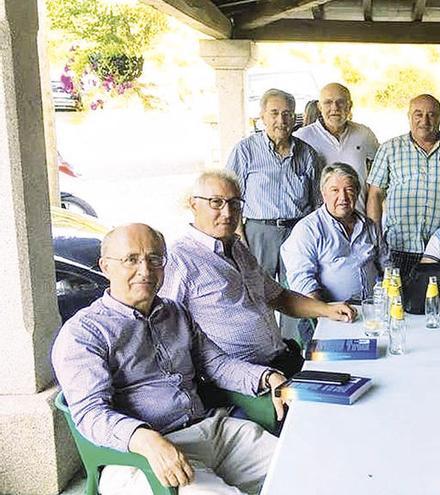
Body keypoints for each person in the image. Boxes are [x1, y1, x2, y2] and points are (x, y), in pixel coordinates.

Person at [52, 224, 287, 494]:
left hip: (211, 431)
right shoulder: (84, 333)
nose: (145, 270)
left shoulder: (175, 312)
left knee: (303, 467)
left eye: (155, 259)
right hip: (139, 457)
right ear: (106, 267)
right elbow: (91, 413)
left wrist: (267, 377)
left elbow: (216, 364)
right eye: (131, 259)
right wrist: (144, 439)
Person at [160, 171, 356, 375]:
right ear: (193, 204)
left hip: (280, 360)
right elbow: (167, 335)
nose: (227, 213)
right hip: (239, 379)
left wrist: (326, 309)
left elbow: (280, 297)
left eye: (235, 203)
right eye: (216, 202)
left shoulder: (238, 248)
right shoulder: (179, 259)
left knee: (352, 375)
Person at [366, 94, 440, 277]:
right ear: (409, 116)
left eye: (431, 115)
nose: (424, 120)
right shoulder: (390, 149)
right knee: (397, 303)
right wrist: (375, 238)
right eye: (418, 114)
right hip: (398, 248)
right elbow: (375, 194)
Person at [225, 88, 322, 296]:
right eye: (274, 113)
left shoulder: (307, 154)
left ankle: (294, 332)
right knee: (257, 295)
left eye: (287, 114)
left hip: (297, 232)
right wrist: (240, 239)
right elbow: (229, 199)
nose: (282, 120)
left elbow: (316, 202)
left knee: (298, 293)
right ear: (262, 117)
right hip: (259, 233)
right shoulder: (245, 150)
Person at [282, 163, 389, 305]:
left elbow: (387, 267)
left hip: (372, 311)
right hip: (329, 313)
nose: (343, 197)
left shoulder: (369, 226)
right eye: (335, 190)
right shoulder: (308, 230)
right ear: (323, 193)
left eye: (349, 190)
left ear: (357, 193)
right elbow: (303, 283)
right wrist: (326, 313)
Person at [294, 83, 380, 211]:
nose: (335, 108)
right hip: (321, 224)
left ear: (349, 105)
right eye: (328, 102)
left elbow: (379, 174)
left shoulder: (364, 134)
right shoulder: (302, 137)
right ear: (319, 107)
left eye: (340, 102)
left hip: (359, 219)